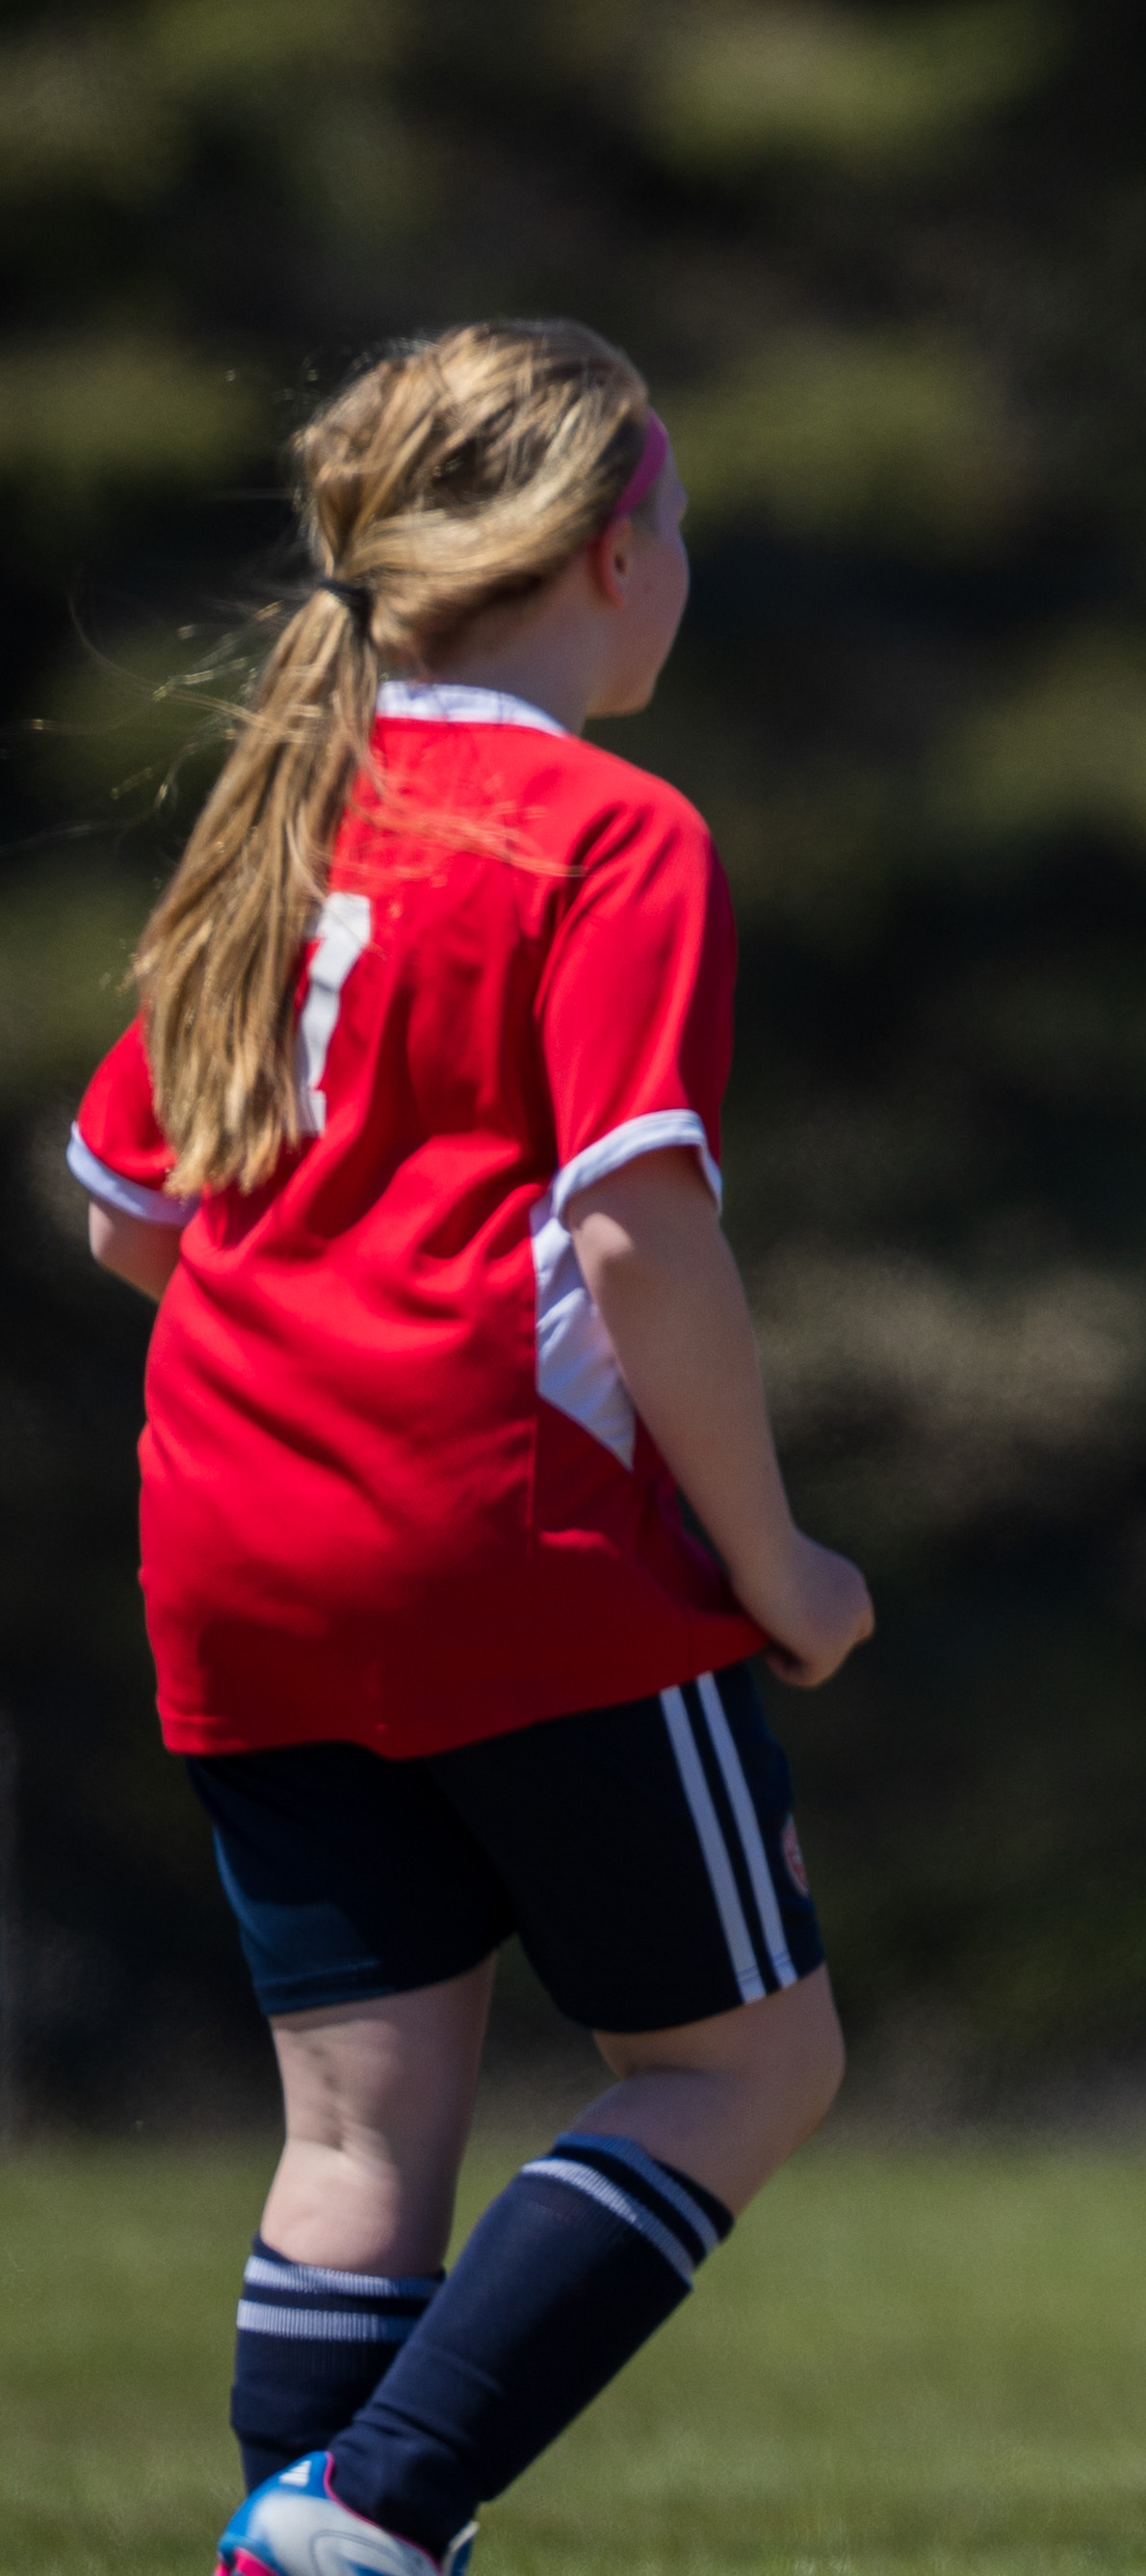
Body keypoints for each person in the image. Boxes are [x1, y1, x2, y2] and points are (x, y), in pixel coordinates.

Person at [64, 321, 875, 2576]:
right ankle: (369, 2515)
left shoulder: (284, 806)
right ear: (616, 550)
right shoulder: (614, 830)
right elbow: (635, 1228)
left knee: (359, 2130)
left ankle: (292, 2537)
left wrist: (313, 1351)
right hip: (511, 1548)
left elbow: (128, 1209)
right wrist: (777, 1563)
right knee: (743, 2065)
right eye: (681, 525)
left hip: (230, 1544)